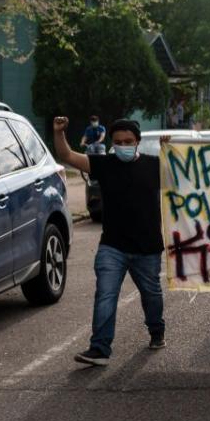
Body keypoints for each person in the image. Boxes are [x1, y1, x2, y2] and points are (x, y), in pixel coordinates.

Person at [54, 117, 166, 366]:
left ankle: (157, 331)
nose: (123, 145)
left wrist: (173, 148)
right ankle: (100, 348)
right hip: (112, 246)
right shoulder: (103, 164)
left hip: (147, 248)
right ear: (111, 144)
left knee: (151, 295)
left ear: (137, 142)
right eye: (117, 142)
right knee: (106, 294)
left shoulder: (154, 165)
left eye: (128, 141)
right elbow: (67, 156)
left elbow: (191, 171)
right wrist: (60, 133)